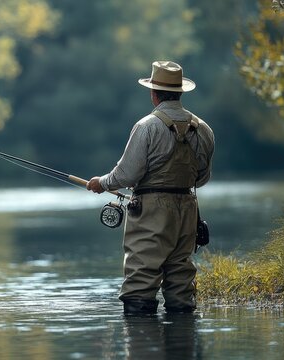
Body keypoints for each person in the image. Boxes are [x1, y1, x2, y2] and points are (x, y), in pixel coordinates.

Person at [86, 61, 215, 315]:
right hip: (188, 208)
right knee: (180, 277)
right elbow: (202, 178)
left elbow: (126, 174)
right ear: (179, 92)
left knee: (141, 278)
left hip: (151, 211)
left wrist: (101, 183)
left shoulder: (146, 126)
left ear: (153, 94)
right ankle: (182, 342)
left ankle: (141, 342)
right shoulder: (204, 130)